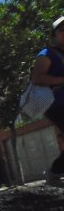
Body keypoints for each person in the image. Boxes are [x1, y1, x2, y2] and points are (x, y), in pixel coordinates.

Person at [32, 16, 64, 186]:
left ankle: (56, 171)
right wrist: (61, 80)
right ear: (55, 34)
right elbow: (37, 78)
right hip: (56, 104)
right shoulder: (47, 54)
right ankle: (54, 172)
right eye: (62, 29)